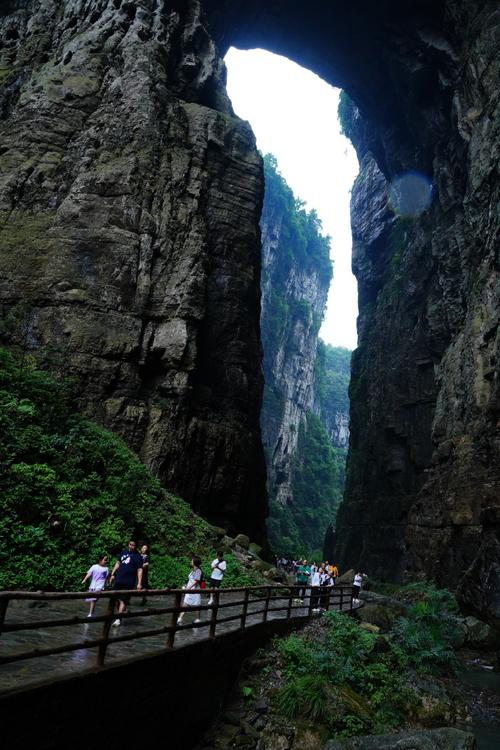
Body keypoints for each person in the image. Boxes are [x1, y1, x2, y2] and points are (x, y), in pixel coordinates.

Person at [109, 540, 143, 626]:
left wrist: (139, 583)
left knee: (123, 600)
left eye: (133, 545)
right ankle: (121, 612)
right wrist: (112, 574)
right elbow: (118, 563)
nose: (131, 546)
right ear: (128, 544)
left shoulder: (138, 557)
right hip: (119, 579)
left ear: (136, 546)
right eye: (130, 544)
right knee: (115, 598)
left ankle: (118, 619)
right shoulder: (123, 552)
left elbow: (139, 570)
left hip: (129, 581)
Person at [177, 556, 202, 625]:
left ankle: (198, 619)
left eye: (192, 561)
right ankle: (180, 618)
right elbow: (190, 580)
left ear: (195, 562)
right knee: (185, 604)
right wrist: (186, 586)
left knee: (197, 605)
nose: (190, 562)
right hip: (189, 590)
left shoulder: (198, 571)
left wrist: (189, 587)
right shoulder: (192, 570)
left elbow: (196, 581)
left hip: (195, 591)